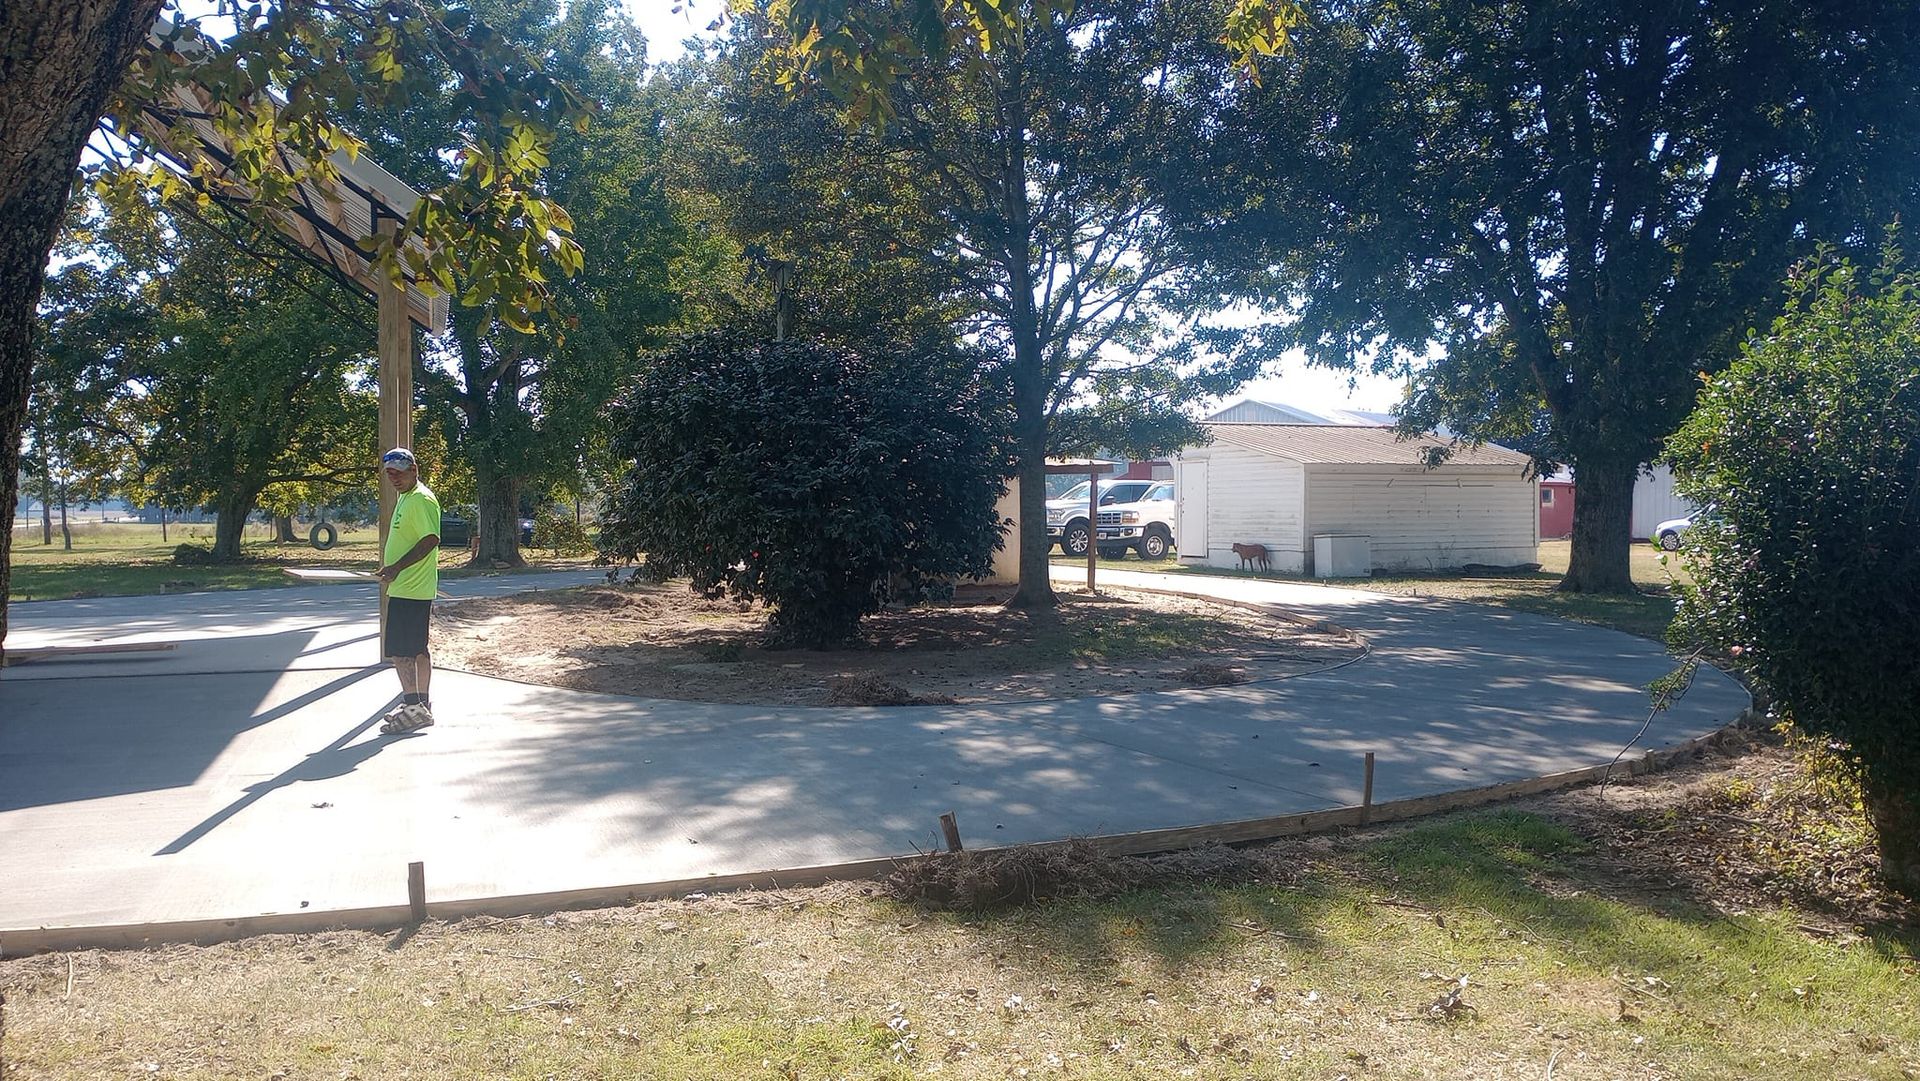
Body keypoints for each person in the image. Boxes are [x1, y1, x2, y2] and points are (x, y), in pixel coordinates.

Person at [376, 447, 441, 733]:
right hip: (407, 587)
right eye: (390, 474)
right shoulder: (406, 496)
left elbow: (430, 540)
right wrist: (393, 569)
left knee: (402, 653)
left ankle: (414, 708)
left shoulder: (420, 499)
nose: (394, 479)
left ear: (414, 469)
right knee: (416, 649)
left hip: (411, 588)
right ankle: (419, 706)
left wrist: (397, 567)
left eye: (399, 473)